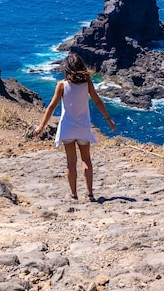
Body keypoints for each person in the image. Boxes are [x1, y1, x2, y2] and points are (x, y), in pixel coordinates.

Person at [34, 52, 116, 201]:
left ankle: (74, 195)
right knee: (87, 160)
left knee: (71, 163)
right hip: (83, 128)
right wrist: (108, 119)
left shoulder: (62, 85)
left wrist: (41, 126)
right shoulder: (88, 83)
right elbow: (98, 101)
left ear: (67, 68)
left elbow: (52, 106)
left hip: (68, 128)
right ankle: (90, 194)